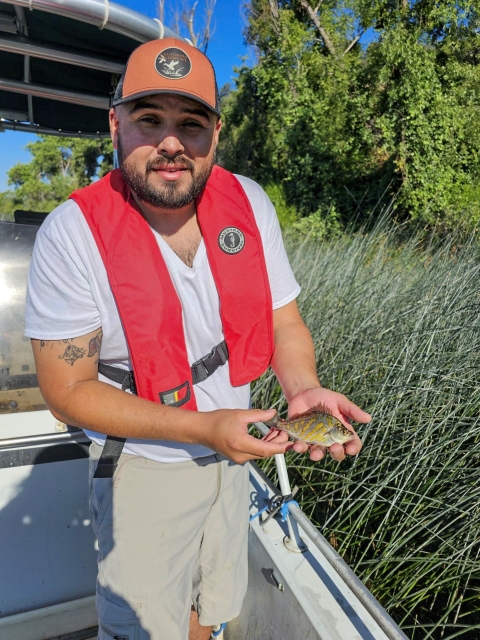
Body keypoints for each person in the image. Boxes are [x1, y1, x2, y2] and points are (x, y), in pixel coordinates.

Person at [25, 38, 371, 640]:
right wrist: (203, 429)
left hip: (236, 455)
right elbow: (67, 391)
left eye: (192, 123)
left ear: (215, 132)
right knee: (142, 627)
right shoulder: (72, 234)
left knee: (212, 609)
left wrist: (304, 387)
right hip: (145, 464)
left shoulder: (250, 204)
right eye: (149, 119)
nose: (171, 143)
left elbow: (283, 320)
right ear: (115, 124)